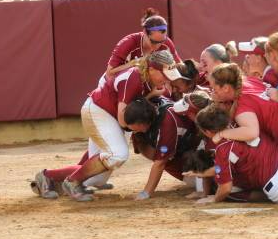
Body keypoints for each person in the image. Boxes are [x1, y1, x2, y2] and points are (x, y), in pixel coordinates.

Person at [33, 50, 184, 201]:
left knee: (96, 178)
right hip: (100, 112)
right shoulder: (134, 77)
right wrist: (141, 129)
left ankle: (47, 177)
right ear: (151, 69)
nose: (167, 79)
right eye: (164, 75)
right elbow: (123, 119)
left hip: (111, 118)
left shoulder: (150, 79)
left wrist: (150, 96)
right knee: (117, 155)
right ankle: (73, 182)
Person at [186, 105, 278, 204]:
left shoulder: (223, 149)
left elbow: (226, 188)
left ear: (208, 131)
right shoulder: (244, 125)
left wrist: (215, 199)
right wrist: (204, 173)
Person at [104, 8, 181, 80]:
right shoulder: (128, 43)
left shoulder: (166, 43)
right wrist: (133, 64)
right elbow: (109, 74)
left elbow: (180, 66)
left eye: (161, 41)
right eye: (153, 42)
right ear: (144, 32)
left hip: (145, 86)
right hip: (113, 85)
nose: (158, 46)